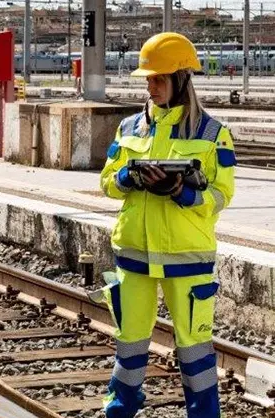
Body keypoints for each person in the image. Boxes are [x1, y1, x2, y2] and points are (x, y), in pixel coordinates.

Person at [99, 32, 236, 418]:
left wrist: (182, 192)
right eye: (148, 79)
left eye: (158, 78)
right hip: (134, 255)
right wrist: (129, 177)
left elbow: (222, 195)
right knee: (130, 343)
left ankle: (205, 414)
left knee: (194, 347)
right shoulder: (129, 128)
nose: (151, 86)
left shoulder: (212, 134)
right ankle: (121, 409)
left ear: (181, 79)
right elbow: (107, 183)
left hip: (187, 257)